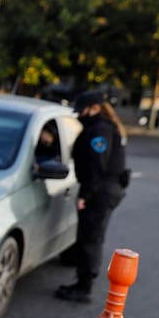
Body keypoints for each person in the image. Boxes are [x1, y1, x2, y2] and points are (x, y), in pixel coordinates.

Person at [56, 89, 127, 303]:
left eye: (83, 110)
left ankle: (84, 286)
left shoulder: (100, 130)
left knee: (91, 238)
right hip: (103, 189)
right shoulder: (103, 127)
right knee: (88, 234)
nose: (80, 115)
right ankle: (80, 274)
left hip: (100, 191)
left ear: (95, 108)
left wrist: (85, 195)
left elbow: (97, 165)